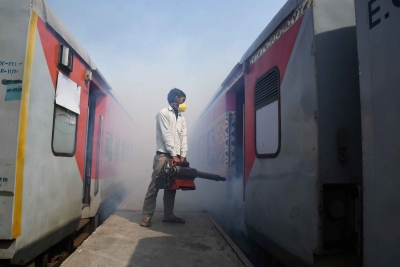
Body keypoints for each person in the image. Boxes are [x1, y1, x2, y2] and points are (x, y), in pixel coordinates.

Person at [140, 88, 188, 227]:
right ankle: (147, 216)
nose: (185, 103)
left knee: (171, 187)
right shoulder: (163, 113)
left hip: (177, 156)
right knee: (155, 186)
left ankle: (168, 215)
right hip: (163, 155)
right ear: (177, 98)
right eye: (183, 100)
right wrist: (174, 155)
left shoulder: (181, 117)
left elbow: (183, 137)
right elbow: (166, 136)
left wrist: (182, 155)